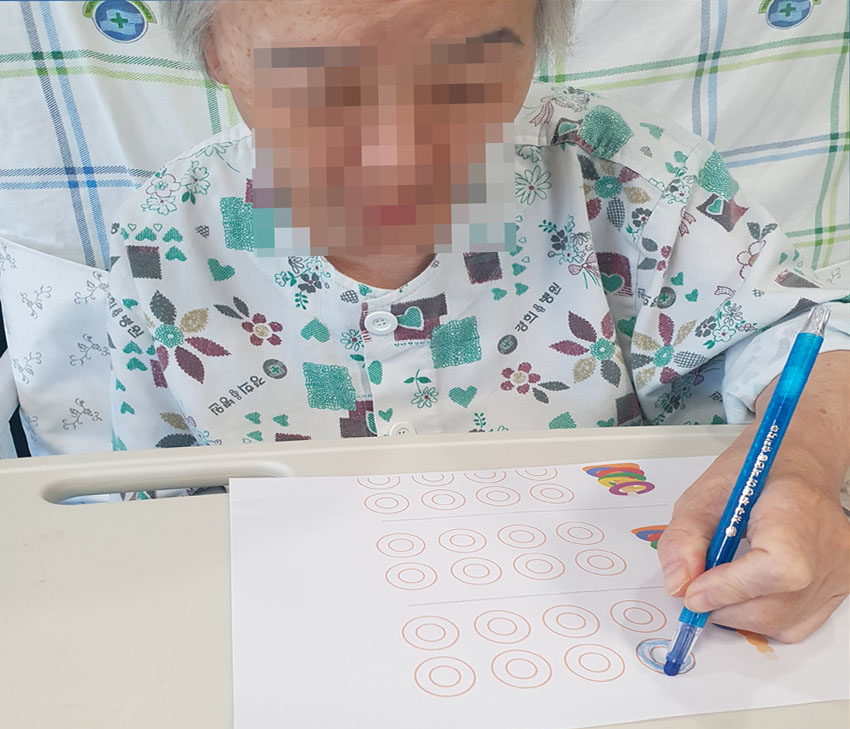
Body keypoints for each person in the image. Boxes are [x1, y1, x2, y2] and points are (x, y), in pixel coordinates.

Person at [105, 0, 849, 642]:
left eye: (467, 73)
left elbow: (808, 334)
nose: (399, 147)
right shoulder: (169, 240)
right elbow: (146, 512)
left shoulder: (634, 186)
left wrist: (804, 467)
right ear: (216, 53)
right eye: (325, 83)